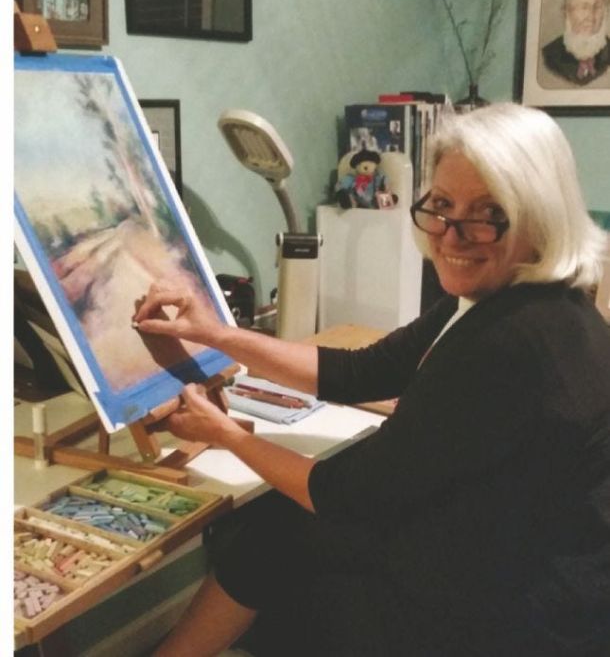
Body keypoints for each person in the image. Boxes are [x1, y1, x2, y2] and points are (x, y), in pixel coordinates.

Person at [134, 102, 610, 657]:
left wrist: (224, 434)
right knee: (276, 529)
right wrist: (216, 333)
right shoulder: (513, 297)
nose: (452, 235)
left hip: (515, 622)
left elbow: (343, 497)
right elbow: (361, 371)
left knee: (272, 539)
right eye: (442, 206)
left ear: (540, 216)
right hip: (515, 566)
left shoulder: (511, 342)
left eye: (488, 212)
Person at [542, 0, 610, 85]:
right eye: (584, 7)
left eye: (597, 7)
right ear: (567, 11)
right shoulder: (548, 56)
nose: (590, 16)